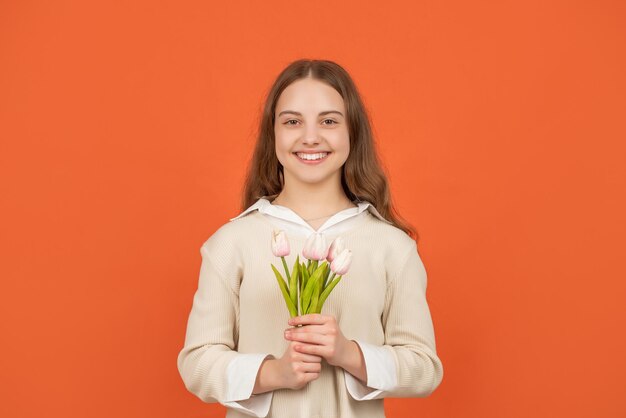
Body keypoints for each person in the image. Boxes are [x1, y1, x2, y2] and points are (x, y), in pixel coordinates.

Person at [177, 59, 443, 418]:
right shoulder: (230, 243)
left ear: (353, 133)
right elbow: (197, 363)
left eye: (329, 121)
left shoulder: (393, 247)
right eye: (292, 121)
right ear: (274, 135)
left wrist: (349, 353)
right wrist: (274, 373)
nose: (310, 136)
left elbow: (424, 367)